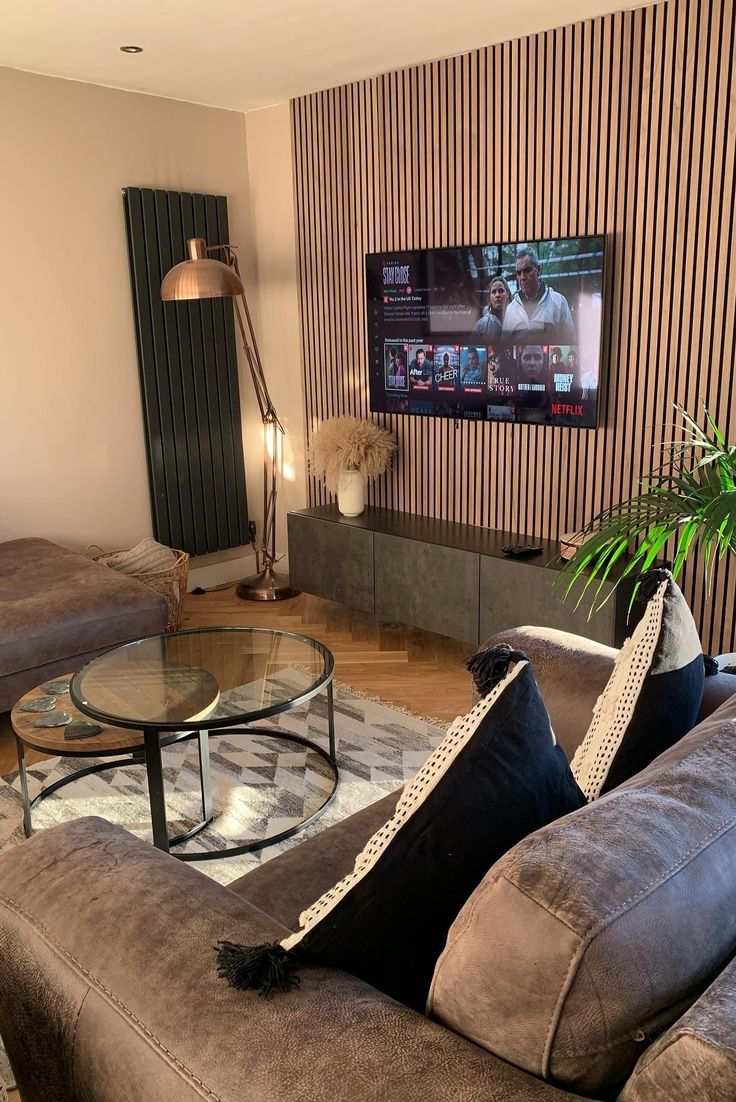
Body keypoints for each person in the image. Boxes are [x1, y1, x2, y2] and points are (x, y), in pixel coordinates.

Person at [502, 246, 576, 343]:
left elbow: (571, 342)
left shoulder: (558, 302)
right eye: (519, 273)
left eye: (527, 270)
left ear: (538, 270)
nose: (522, 277)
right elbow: (504, 346)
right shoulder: (511, 309)